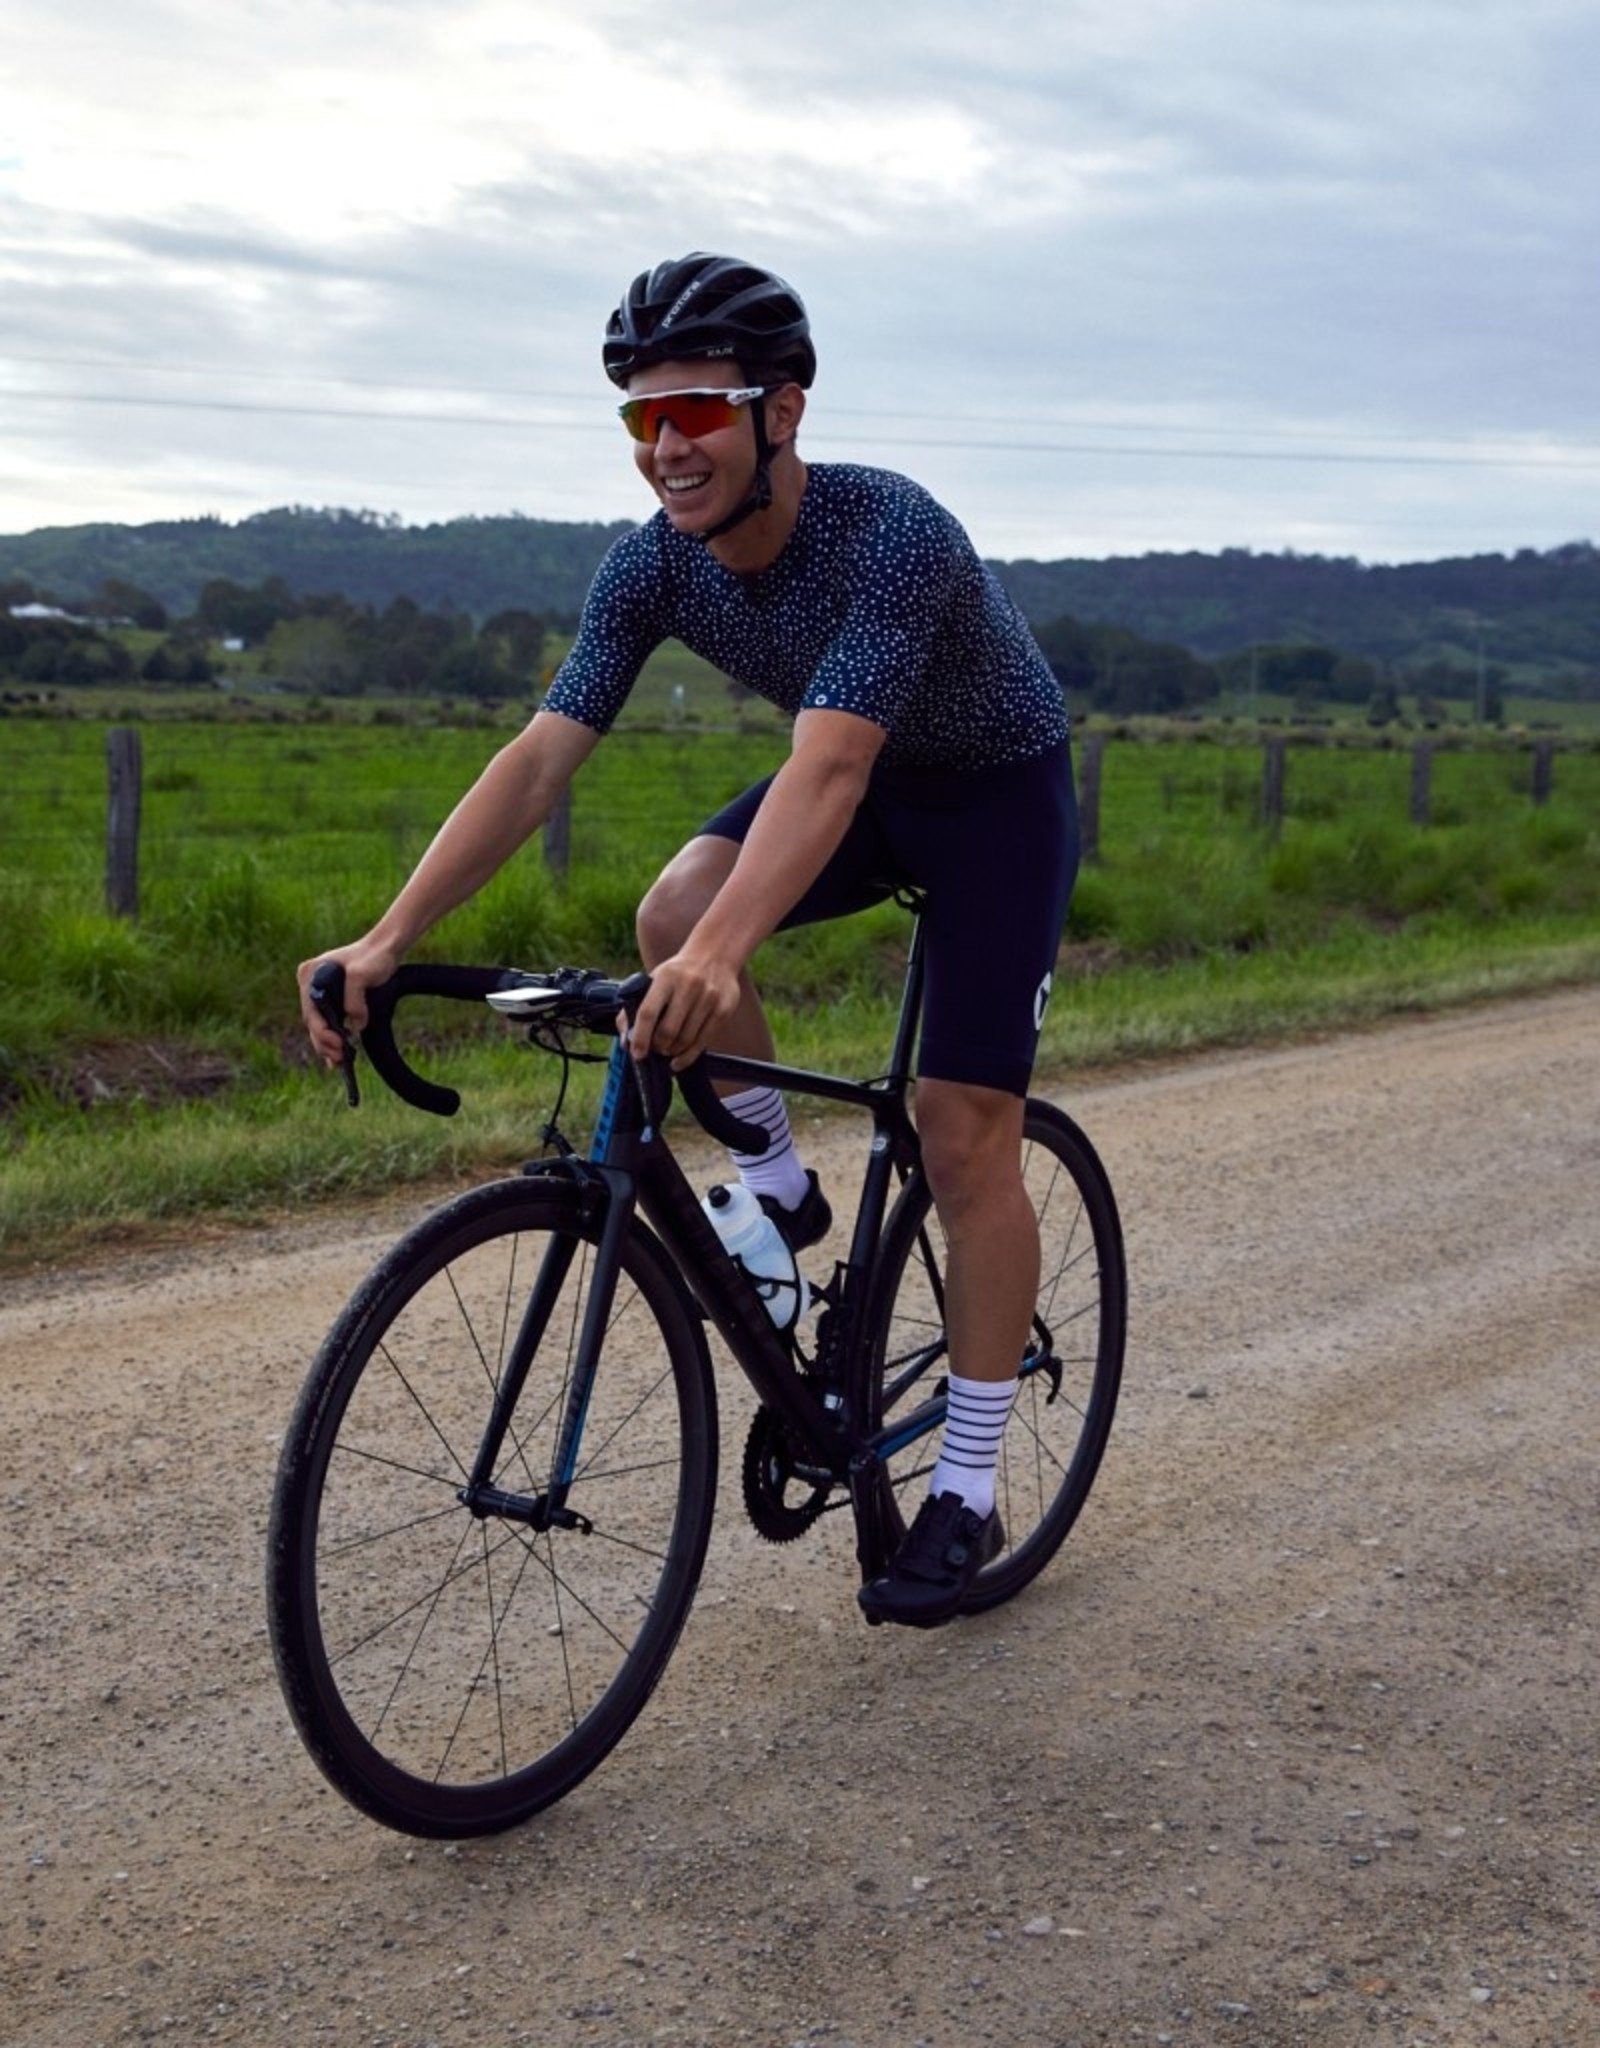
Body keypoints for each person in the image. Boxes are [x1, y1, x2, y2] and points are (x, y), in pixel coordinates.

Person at [299, 252, 1079, 1628]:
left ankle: (965, 1485)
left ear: (782, 409)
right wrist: (387, 935)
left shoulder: (891, 531)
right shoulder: (655, 566)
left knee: (964, 1132)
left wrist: (723, 956)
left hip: (991, 796)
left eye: (698, 413)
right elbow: (541, 757)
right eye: (640, 420)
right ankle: (780, 1187)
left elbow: (827, 767)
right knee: (670, 910)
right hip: (862, 782)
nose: (667, 447)